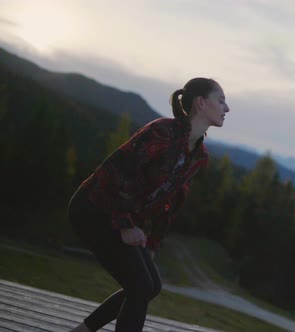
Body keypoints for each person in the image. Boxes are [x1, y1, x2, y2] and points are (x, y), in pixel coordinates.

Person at [67, 77, 230, 332]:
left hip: (121, 217)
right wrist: (124, 225)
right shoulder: (162, 133)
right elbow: (117, 174)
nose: (226, 109)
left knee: (151, 286)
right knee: (140, 285)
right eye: (221, 101)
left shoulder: (199, 156)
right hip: (94, 209)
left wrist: (152, 244)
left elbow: (171, 202)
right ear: (201, 103)